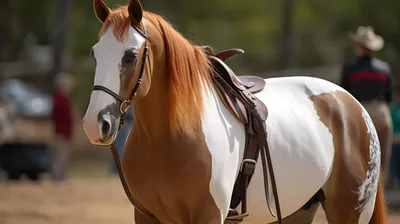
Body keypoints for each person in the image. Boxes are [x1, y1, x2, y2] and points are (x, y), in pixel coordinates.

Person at [339, 26, 395, 181]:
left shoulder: (350, 68)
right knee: (382, 159)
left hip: (359, 113)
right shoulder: (384, 69)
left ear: (358, 46)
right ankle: (380, 190)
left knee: (359, 157)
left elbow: (344, 94)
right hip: (382, 113)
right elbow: (389, 96)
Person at [51, 72, 75, 182]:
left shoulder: (64, 99)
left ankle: (62, 175)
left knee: (64, 154)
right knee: (60, 154)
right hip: (61, 132)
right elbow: (62, 114)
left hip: (66, 132)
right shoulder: (58, 99)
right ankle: (58, 176)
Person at [109, 106, 133, 175]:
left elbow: (130, 116)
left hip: (125, 127)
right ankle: (115, 170)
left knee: (121, 149)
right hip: (118, 127)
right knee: (116, 148)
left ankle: (120, 170)